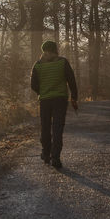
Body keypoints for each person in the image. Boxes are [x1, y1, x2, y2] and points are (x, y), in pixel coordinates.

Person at [30, 40, 78, 169]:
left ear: (44, 50)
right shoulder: (63, 62)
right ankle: (55, 157)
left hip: (45, 100)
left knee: (45, 127)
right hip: (60, 100)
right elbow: (71, 80)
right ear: (55, 50)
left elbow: (33, 85)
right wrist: (74, 96)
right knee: (57, 128)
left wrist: (43, 91)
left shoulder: (38, 65)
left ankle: (46, 154)